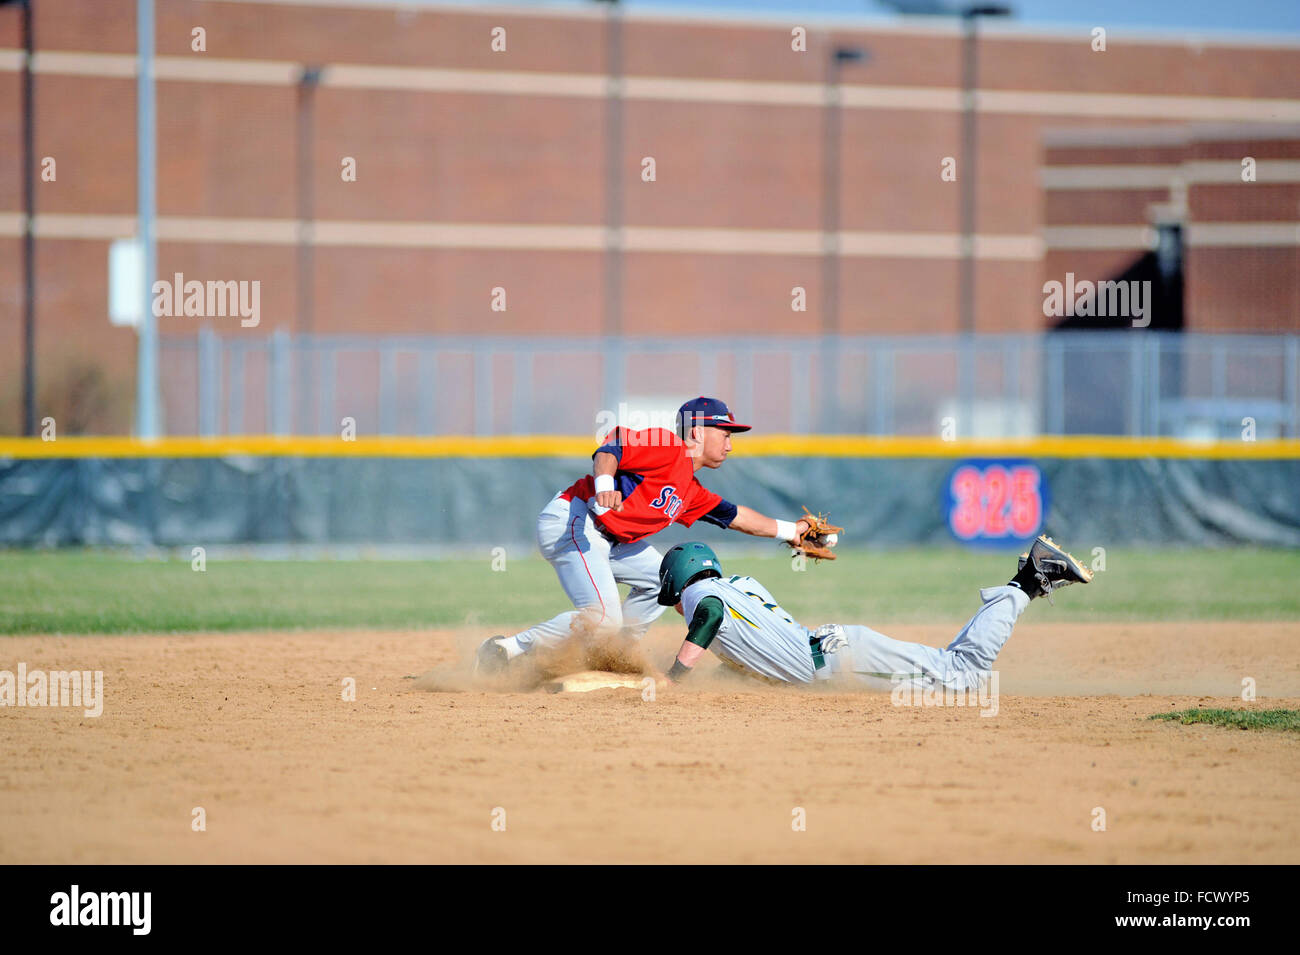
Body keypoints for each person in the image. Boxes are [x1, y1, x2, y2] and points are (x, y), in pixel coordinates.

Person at [475, 397, 823, 673]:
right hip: (576, 519)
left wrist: (793, 531)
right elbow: (612, 445)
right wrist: (606, 483)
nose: (730, 444)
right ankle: (503, 651)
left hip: (612, 540)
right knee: (601, 617)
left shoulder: (690, 488)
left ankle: (613, 655)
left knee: (665, 583)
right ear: (698, 431)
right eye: (726, 433)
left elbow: (737, 517)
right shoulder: (666, 446)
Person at [655, 536, 1092, 688]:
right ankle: (1028, 580)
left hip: (837, 660)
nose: (677, 608)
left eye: (671, 598)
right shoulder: (738, 586)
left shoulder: (702, 595)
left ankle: (1031, 579)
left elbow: (708, 617)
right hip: (835, 651)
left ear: (680, 580)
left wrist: (675, 678)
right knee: (951, 667)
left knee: (965, 677)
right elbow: (752, 650)